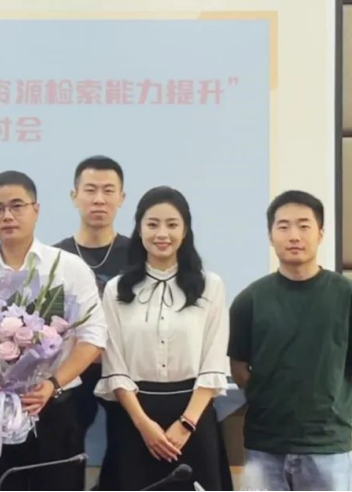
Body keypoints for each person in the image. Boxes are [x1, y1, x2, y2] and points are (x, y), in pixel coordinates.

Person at [0, 171, 106, 490]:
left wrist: (52, 384)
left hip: (55, 408)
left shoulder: (69, 268)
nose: (7, 216)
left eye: (17, 206)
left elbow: (93, 338)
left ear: (36, 209)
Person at [229, 190, 352, 491]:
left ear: (320, 233)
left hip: (328, 448)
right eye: (283, 226)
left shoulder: (348, 296)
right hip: (265, 445)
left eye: (304, 225)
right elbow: (239, 367)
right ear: (270, 236)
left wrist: (340, 406)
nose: (294, 235)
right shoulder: (250, 299)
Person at [94, 186, 232, 490]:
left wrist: (186, 424)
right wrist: (144, 425)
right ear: (139, 229)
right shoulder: (117, 289)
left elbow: (213, 363)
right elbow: (114, 367)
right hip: (135, 421)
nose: (162, 233)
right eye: (152, 224)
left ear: (185, 230)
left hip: (193, 417)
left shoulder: (210, 286)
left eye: (172, 224)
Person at [53, 156, 130, 489]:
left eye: (108, 191)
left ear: (121, 198)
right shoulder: (55, 257)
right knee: (65, 450)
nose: (99, 199)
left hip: (124, 371)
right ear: (75, 196)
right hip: (73, 373)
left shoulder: (138, 254)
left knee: (126, 453)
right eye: (90, 190)